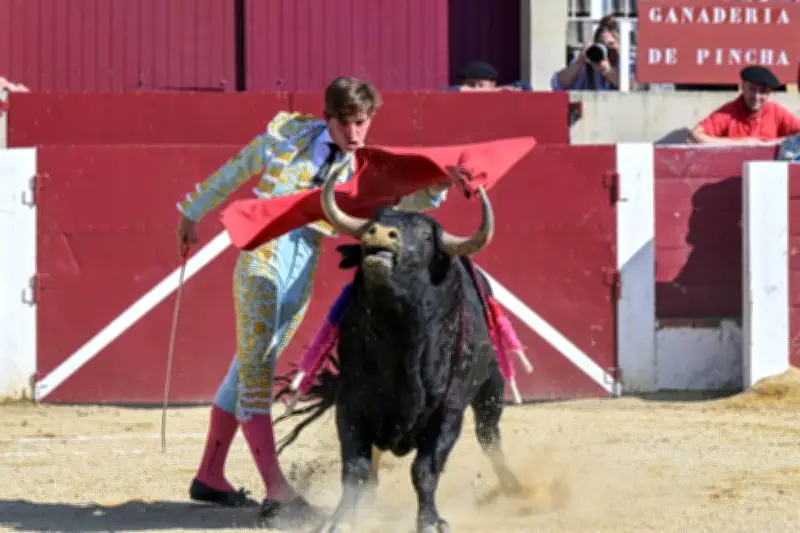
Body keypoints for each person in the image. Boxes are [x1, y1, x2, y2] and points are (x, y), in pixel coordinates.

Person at [175, 76, 452, 520]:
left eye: (362, 123)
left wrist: (439, 183)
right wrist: (192, 210)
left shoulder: (366, 166)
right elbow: (237, 169)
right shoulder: (289, 136)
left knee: (249, 363)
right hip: (262, 255)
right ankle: (277, 491)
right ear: (329, 119)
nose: (356, 134)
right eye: (347, 125)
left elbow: (404, 201)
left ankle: (210, 476)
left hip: (301, 265)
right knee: (256, 369)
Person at [687, 65, 800, 145]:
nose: (756, 97)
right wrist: (741, 143)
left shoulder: (776, 112)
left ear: (769, 93)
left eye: (763, 91)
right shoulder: (729, 112)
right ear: (743, 87)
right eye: (752, 89)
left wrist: (770, 143)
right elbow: (694, 137)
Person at [551, 15, 635, 92]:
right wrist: (579, 62)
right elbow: (557, 84)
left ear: (620, 45)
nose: (607, 49)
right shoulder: (587, 65)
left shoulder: (627, 64)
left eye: (611, 44)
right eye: (602, 44)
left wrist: (607, 70)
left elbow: (632, 86)